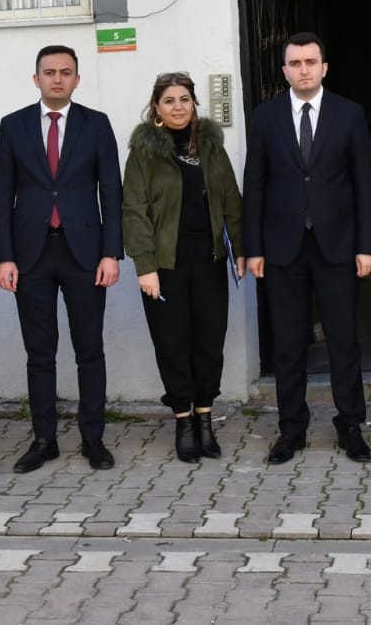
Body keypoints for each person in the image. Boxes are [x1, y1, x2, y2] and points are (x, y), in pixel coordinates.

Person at [243, 32, 371, 465]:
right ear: (284, 70)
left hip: (336, 244)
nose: (303, 69)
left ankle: (351, 424)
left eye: (311, 62)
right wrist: (254, 247)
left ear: (324, 67)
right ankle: (291, 428)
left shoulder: (349, 114)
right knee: (287, 343)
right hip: (283, 247)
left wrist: (366, 245)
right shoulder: (265, 117)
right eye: (295, 63)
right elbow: (256, 184)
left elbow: (363, 184)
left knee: (343, 339)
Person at [0, 45, 123, 473]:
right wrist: (4, 257)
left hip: (84, 253)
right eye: (49, 72)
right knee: (40, 353)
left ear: (77, 79)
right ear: (36, 79)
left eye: (66, 72)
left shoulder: (97, 125)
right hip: (31, 254)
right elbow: (0, 198)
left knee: (90, 351)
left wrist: (110, 253)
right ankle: (44, 439)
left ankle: (93, 439)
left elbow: (112, 193)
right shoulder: (12, 126)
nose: (57, 79)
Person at [122, 72, 245, 462]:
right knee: (173, 344)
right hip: (165, 265)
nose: (178, 107)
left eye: (185, 100)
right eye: (169, 101)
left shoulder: (210, 147)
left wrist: (240, 249)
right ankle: (183, 421)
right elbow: (133, 210)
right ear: (156, 109)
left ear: (194, 104)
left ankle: (205, 419)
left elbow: (231, 202)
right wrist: (144, 264)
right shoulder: (145, 152)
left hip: (208, 260)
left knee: (209, 341)